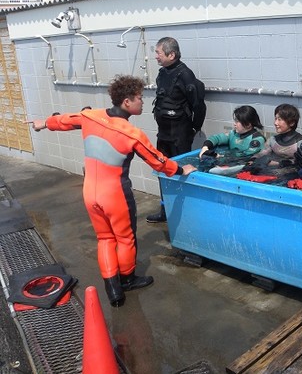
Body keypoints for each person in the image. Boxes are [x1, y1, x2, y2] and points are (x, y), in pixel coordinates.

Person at [28, 75, 196, 307]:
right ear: (127, 102)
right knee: (125, 239)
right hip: (116, 195)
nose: (142, 102)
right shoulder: (132, 133)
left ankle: (112, 290)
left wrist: (43, 123)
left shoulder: (90, 116)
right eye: (139, 98)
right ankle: (127, 280)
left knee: (105, 238)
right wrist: (181, 169)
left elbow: (65, 120)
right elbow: (159, 162)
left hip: (90, 193)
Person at [146, 37, 206, 223]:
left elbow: (199, 105)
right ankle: (165, 210)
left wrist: (194, 127)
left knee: (181, 172)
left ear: (171, 54)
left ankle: (186, 213)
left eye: (158, 53)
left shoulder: (185, 75)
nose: (155, 56)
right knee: (162, 170)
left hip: (179, 135)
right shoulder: (163, 73)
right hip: (163, 133)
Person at [198, 105, 266, 159]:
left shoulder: (257, 140)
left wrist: (221, 157)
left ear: (248, 124)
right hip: (230, 161)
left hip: (247, 166)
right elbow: (217, 138)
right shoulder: (233, 134)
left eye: (237, 121)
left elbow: (246, 156)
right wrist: (205, 147)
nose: (234, 124)